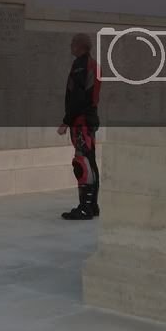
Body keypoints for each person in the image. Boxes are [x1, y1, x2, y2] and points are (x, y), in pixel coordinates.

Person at [57, 32, 101, 220]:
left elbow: (77, 97)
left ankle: (85, 208)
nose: (70, 47)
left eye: (72, 44)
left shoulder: (81, 66)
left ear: (79, 46)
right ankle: (92, 205)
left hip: (81, 120)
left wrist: (66, 121)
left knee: (82, 163)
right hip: (88, 118)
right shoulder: (92, 64)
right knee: (90, 162)